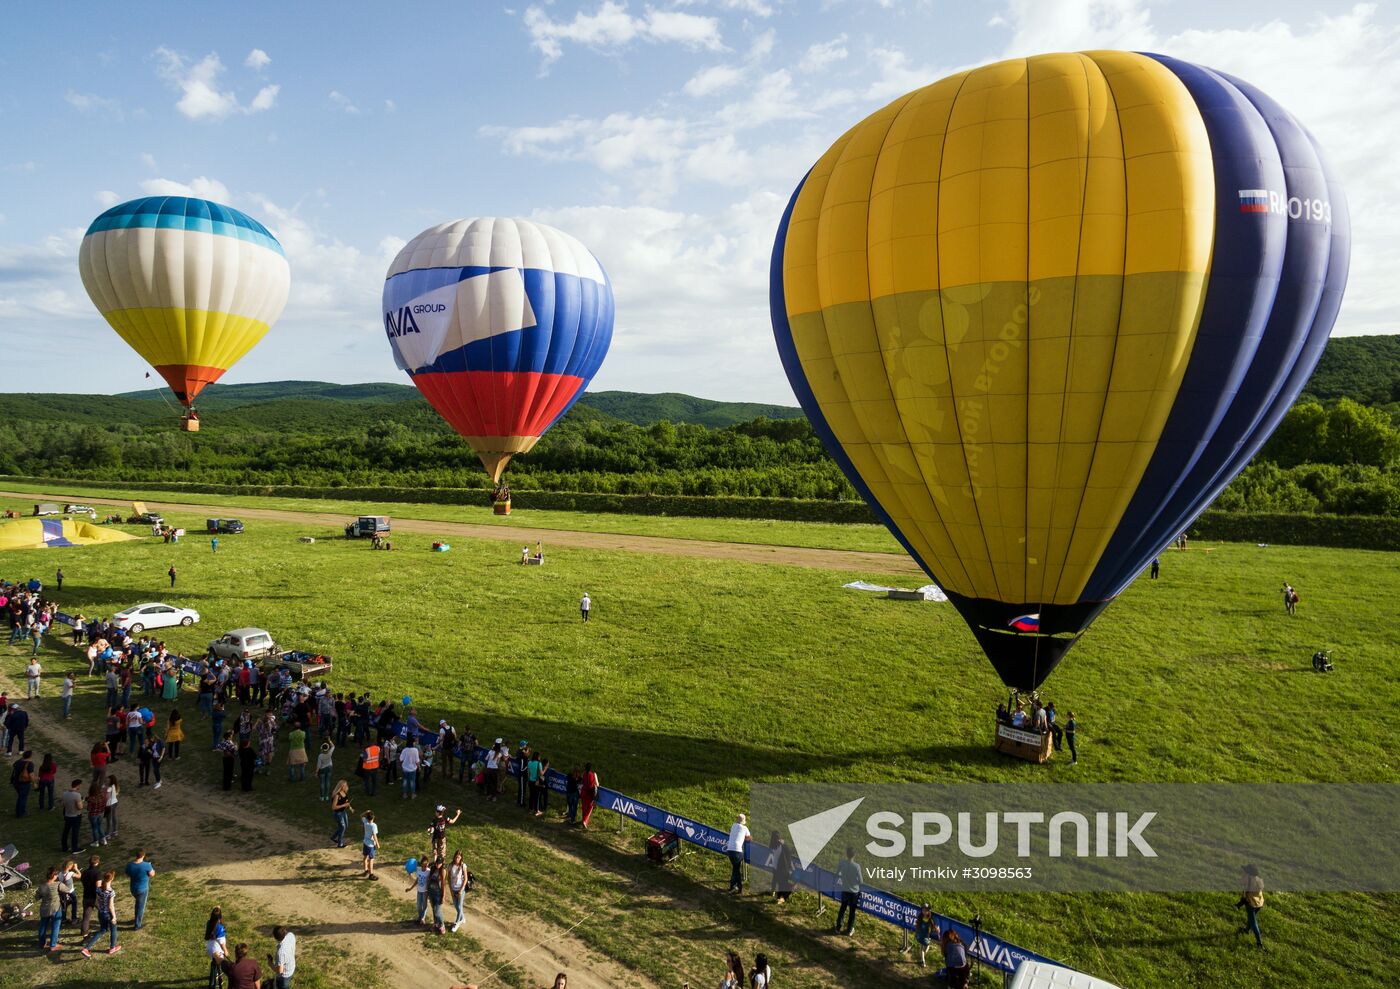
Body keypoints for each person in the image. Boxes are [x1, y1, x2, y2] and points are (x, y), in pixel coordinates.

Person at [80, 869, 122, 957]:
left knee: (102, 930)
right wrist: (114, 917)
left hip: (101, 913)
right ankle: (112, 947)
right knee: (113, 929)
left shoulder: (98, 889)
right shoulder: (111, 892)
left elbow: (98, 900)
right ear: (112, 879)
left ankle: (87, 948)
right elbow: (111, 906)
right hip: (108, 914)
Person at [834, 846, 861, 936]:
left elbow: (837, 874)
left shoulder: (842, 863)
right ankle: (849, 930)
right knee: (852, 911)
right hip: (854, 892)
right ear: (855, 855)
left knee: (842, 908)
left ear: (846, 854)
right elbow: (861, 881)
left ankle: (838, 927)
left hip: (845, 890)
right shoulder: (857, 866)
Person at [126, 848, 155, 928]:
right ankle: (137, 925)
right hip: (142, 890)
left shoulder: (130, 865)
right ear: (143, 855)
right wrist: (150, 866)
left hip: (133, 889)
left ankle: (136, 919)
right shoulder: (146, 865)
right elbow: (152, 874)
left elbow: (128, 874)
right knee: (140, 907)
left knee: (138, 904)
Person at [37, 865, 63, 951]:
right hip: (55, 908)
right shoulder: (58, 884)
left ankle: (41, 943)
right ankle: (53, 945)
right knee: (55, 926)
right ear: (54, 875)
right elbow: (68, 890)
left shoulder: (42, 886)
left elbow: (37, 897)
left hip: (44, 909)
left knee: (43, 926)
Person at [1239, 864, 1265, 948]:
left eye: (1246, 871)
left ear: (1249, 873)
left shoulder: (1248, 879)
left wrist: (1244, 876)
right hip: (1259, 903)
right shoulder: (1259, 880)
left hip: (1251, 903)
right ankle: (1246, 930)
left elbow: (1241, 882)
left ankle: (1259, 943)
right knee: (1251, 917)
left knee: (1253, 922)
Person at [725, 813, 750, 893]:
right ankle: (739, 887)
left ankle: (733, 886)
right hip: (737, 850)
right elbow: (749, 838)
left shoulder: (733, 825)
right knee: (736, 870)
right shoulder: (745, 828)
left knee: (735, 869)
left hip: (729, 850)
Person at [79, 853, 101, 938]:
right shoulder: (97, 873)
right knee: (103, 911)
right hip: (95, 897)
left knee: (86, 916)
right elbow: (98, 886)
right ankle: (107, 926)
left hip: (86, 896)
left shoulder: (84, 872)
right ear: (97, 862)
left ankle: (84, 932)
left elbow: (82, 881)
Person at [61, 777, 86, 853]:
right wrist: (82, 801)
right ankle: (74, 848)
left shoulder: (65, 793)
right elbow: (80, 807)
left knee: (66, 831)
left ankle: (64, 847)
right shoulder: (77, 795)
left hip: (67, 815)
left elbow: (63, 804)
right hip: (75, 816)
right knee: (75, 833)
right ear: (77, 785)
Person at [768, 831, 794, 904]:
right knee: (781, 884)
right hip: (782, 868)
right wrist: (784, 843)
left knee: (775, 880)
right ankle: (780, 898)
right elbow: (788, 854)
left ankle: (774, 893)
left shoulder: (772, 844)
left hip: (775, 867)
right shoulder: (781, 846)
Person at [447, 850, 469, 933]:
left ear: (461, 858)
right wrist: (451, 890)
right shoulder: (450, 865)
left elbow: (466, 879)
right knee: (456, 906)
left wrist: (461, 889)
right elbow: (448, 878)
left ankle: (457, 923)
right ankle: (462, 918)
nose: (457, 858)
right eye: (456, 857)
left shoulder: (463, 866)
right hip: (453, 889)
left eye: (459, 857)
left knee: (459, 906)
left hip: (460, 890)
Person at [206, 906, 228, 987]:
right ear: (220, 917)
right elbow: (221, 942)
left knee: (215, 963)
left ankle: (216, 978)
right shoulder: (220, 927)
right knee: (217, 965)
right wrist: (225, 950)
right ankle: (215, 982)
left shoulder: (209, 923)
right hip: (217, 949)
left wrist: (217, 908)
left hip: (210, 947)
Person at [11, 747, 35, 816]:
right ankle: (21, 813)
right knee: (23, 798)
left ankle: (18, 811)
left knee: (20, 797)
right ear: (30, 756)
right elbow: (31, 775)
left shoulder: (18, 762)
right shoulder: (29, 764)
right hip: (24, 783)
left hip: (16, 782)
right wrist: (34, 783)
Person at [425, 858, 447, 934]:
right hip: (431, 892)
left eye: (439, 863)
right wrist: (427, 891)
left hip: (438, 894)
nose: (438, 865)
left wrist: (443, 896)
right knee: (434, 910)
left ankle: (442, 925)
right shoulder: (433, 869)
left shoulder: (443, 871)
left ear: (442, 864)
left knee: (438, 911)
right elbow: (429, 880)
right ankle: (436, 924)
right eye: (437, 863)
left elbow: (443, 884)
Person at [331, 780, 352, 848]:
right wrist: (343, 805)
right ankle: (340, 843)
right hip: (337, 813)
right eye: (344, 786)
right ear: (340, 786)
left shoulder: (344, 793)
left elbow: (346, 802)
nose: (346, 787)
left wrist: (350, 808)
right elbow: (334, 807)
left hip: (343, 812)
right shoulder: (337, 795)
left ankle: (333, 837)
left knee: (345, 826)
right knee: (343, 827)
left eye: (346, 785)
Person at [579, 762, 599, 829]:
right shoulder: (593, 774)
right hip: (590, 793)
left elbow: (582, 782)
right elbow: (597, 784)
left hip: (583, 792)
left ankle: (583, 820)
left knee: (584, 807)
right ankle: (585, 821)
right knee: (590, 807)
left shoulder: (584, 774)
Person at [361, 810, 380, 880]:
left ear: (367, 817)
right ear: (373, 817)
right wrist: (377, 844)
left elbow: (361, 816)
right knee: (371, 859)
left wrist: (366, 812)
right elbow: (374, 836)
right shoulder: (374, 825)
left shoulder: (365, 822)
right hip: (371, 845)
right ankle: (371, 874)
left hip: (365, 843)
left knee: (365, 857)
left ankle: (366, 871)